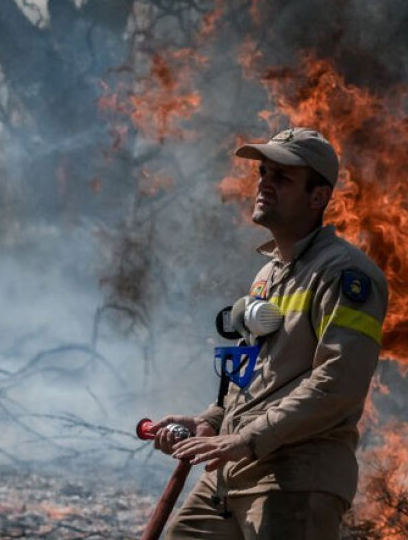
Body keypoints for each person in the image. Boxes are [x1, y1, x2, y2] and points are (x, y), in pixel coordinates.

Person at [151, 127, 389, 540]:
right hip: (231, 473)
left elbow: (339, 384)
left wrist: (246, 438)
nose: (264, 185)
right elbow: (252, 370)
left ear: (319, 197)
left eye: (282, 178)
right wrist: (209, 421)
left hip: (295, 480)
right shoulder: (267, 275)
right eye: (263, 174)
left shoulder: (346, 275)